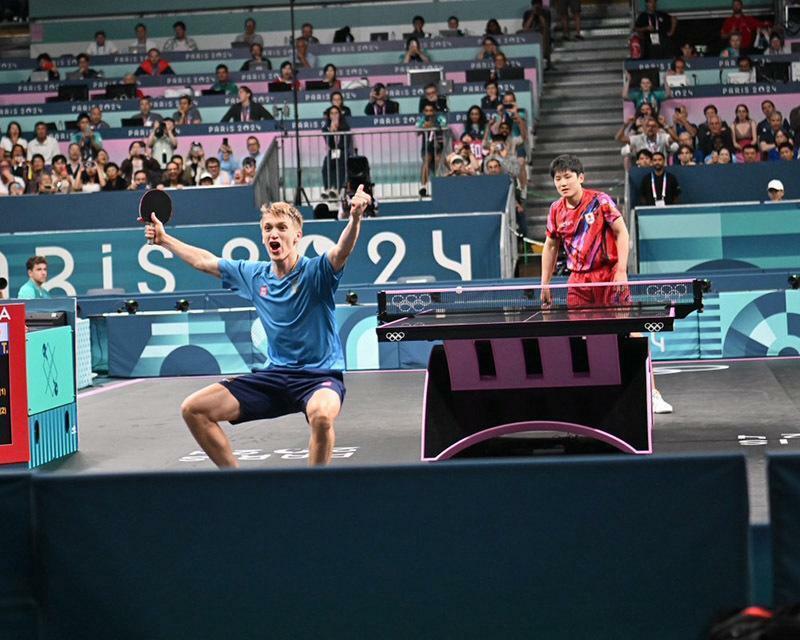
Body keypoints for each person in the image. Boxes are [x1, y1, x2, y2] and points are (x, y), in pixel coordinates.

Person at [142, 188, 373, 468]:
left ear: (297, 236)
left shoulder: (316, 272)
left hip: (319, 377)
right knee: (193, 409)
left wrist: (355, 218)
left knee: (322, 417)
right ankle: (239, 484)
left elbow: (341, 250)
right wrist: (165, 239)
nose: (274, 233)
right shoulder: (254, 274)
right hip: (274, 378)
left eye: (281, 228)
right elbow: (204, 261)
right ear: (263, 237)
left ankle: (316, 490)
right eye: (267, 228)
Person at [541, 154, 672, 413]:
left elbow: (622, 232)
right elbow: (551, 245)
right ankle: (592, 396)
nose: (563, 183)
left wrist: (621, 269)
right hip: (578, 282)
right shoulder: (556, 210)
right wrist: (545, 284)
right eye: (558, 179)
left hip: (609, 277)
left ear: (580, 178)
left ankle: (652, 393)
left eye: (568, 177)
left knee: (631, 332)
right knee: (581, 339)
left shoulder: (600, 201)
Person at [417, 102, 447, 196]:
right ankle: (423, 187)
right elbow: (417, 132)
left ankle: (439, 186)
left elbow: (444, 126)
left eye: (431, 110)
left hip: (439, 145)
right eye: (426, 111)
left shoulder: (440, 118)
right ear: (423, 111)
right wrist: (423, 127)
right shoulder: (421, 120)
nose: (429, 113)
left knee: (438, 161)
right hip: (427, 146)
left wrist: (433, 126)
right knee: (426, 161)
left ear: (434, 111)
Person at [321, 105, 351, 198]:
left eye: (336, 113)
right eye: (332, 113)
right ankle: (327, 189)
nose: (334, 115)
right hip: (332, 151)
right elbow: (330, 145)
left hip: (342, 151)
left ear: (339, 114)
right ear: (329, 115)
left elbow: (346, 143)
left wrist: (338, 130)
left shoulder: (345, 127)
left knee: (340, 163)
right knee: (326, 166)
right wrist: (331, 133)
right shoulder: (326, 128)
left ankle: (337, 189)